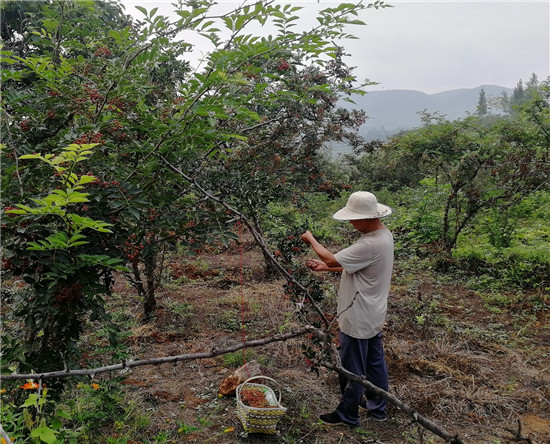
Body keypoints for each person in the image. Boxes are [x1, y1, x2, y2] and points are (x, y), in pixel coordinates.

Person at [300, 191, 394, 427]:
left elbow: (333, 259)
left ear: (367, 217)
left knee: (352, 368)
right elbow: (355, 267)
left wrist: (310, 239)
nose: (351, 223)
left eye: (353, 219)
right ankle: (378, 408)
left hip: (357, 315)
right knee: (375, 363)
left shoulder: (370, 243)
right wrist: (324, 269)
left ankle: (348, 415)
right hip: (373, 314)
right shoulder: (385, 236)